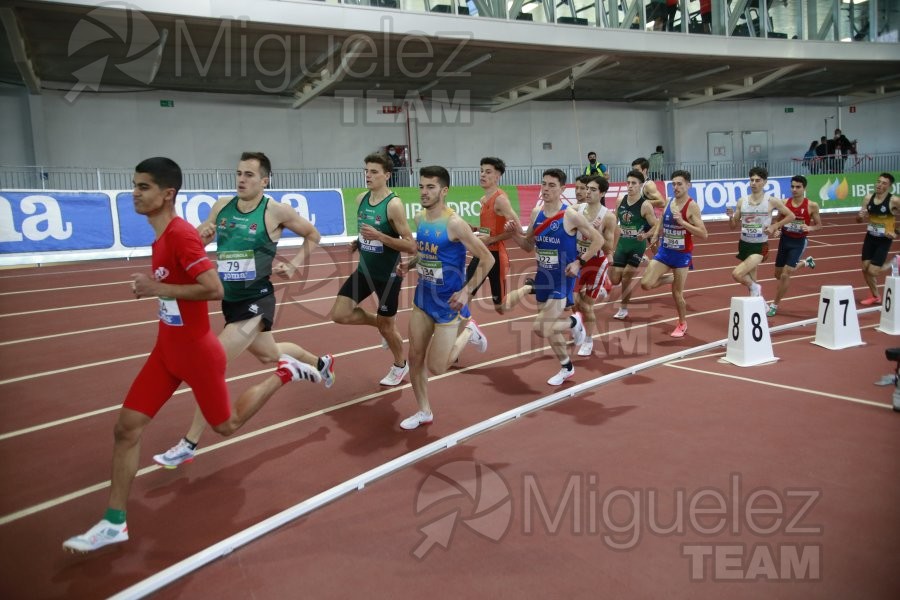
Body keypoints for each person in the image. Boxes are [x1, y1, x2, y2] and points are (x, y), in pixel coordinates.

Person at [63, 158, 322, 553]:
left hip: (228, 324)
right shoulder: (186, 227)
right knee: (126, 428)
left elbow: (210, 286)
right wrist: (204, 236)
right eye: (134, 185)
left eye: (143, 187)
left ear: (166, 193)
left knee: (228, 425)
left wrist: (156, 287)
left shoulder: (190, 232)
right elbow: (201, 261)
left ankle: (281, 377)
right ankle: (114, 521)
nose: (134, 192)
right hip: (168, 349)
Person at [152, 152, 334, 468]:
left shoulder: (276, 211)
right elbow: (194, 240)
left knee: (211, 363)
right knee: (268, 352)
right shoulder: (222, 206)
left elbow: (313, 235)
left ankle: (189, 442)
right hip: (229, 300)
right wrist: (202, 235)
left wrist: (294, 263)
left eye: (249, 175)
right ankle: (321, 363)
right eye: (238, 173)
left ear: (264, 181)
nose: (241, 179)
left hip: (257, 301)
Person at [398, 166, 495, 430]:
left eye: (430, 187)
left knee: (438, 367)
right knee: (415, 357)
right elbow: (427, 253)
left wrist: (466, 291)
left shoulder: (455, 224)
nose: (424, 192)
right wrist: (408, 265)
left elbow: (488, 258)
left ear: (444, 190)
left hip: (448, 306)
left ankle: (468, 333)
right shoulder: (419, 219)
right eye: (421, 186)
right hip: (422, 300)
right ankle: (424, 411)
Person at [505, 168, 605, 385]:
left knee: (541, 327)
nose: (546, 189)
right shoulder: (536, 214)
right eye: (544, 184)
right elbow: (527, 246)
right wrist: (514, 234)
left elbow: (598, 240)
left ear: (562, 189)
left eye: (552, 185)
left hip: (562, 279)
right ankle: (566, 367)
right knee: (549, 329)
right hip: (543, 277)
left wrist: (580, 262)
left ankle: (574, 321)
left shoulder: (570, 215)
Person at [329, 153, 417, 385]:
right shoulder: (361, 199)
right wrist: (359, 242)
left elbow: (410, 245)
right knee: (339, 313)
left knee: (388, 327)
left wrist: (379, 236)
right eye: (366, 171)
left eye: (374, 172)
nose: (368, 175)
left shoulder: (394, 205)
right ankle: (382, 324)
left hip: (388, 275)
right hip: (365, 271)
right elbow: (365, 230)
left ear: (387, 175)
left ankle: (400, 365)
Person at [640, 170, 708, 338]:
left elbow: (704, 234)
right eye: (674, 184)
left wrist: (683, 222)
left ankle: (682, 323)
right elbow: (662, 219)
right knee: (646, 284)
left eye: (680, 184)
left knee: (677, 294)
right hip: (665, 251)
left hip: (681, 255)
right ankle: (673, 278)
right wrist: (655, 235)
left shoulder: (692, 206)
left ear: (688, 185)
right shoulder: (669, 201)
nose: (676, 187)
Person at [724, 166, 795, 299]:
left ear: (765, 182)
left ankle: (756, 288)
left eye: (757, 180)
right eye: (752, 180)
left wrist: (775, 226)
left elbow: (791, 216)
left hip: (759, 246)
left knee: (737, 274)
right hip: (744, 244)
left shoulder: (771, 201)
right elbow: (733, 226)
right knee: (752, 281)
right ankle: (760, 304)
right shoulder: (742, 201)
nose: (754, 183)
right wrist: (730, 216)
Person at [465, 157, 522, 314]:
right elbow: (489, 228)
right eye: (481, 171)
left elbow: (517, 228)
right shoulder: (484, 199)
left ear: (497, 176)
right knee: (465, 295)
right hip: (482, 254)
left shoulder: (501, 200)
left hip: (497, 256)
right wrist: (475, 228)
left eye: (488, 172)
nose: (482, 175)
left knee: (500, 308)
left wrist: (492, 239)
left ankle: (528, 287)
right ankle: (468, 330)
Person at [572, 176, 617, 356]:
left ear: (603, 193)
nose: (587, 192)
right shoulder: (576, 210)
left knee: (587, 305)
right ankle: (581, 326)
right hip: (578, 260)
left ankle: (588, 341)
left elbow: (609, 247)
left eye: (592, 190)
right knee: (572, 300)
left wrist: (596, 232)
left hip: (596, 264)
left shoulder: (608, 217)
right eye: (586, 189)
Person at [767, 175, 821, 317]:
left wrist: (810, 228)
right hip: (784, 241)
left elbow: (819, 225)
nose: (794, 189)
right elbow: (778, 220)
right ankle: (805, 262)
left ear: (804, 188)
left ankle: (774, 305)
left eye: (798, 187)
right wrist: (777, 229)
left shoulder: (812, 205)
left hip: (798, 243)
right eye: (792, 186)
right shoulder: (785, 202)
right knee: (778, 275)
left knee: (786, 274)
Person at [609, 169, 659, 320]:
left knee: (626, 277)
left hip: (637, 246)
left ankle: (623, 309)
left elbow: (656, 225)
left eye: (634, 183)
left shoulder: (645, 206)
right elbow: (613, 220)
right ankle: (642, 260)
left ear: (641, 185)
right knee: (615, 279)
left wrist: (645, 235)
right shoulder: (620, 201)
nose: (630, 186)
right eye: (628, 183)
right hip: (622, 244)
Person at [856, 172, 900, 306]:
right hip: (870, 237)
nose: (879, 185)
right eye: (878, 182)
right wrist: (860, 216)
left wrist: (896, 232)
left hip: (884, 239)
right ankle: (876, 296)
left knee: (872, 271)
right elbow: (858, 220)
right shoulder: (868, 198)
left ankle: (893, 263)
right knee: (865, 269)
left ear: (889, 186)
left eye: (884, 183)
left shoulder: (894, 200)